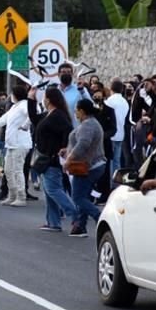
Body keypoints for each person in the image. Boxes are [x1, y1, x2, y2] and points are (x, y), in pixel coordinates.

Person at [28, 87, 78, 232]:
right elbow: (34, 118)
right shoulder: (48, 115)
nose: (43, 99)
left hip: (52, 158)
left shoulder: (58, 116)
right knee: (49, 191)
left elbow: (68, 130)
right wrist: (31, 99)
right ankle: (53, 222)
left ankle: (76, 216)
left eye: (44, 97)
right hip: (44, 158)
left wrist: (63, 148)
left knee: (53, 189)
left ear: (48, 99)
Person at [63, 100, 106, 238]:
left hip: (88, 166)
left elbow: (83, 144)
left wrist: (69, 159)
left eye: (76, 110)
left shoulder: (87, 125)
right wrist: (67, 150)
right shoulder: (91, 123)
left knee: (78, 197)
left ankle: (99, 217)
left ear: (82, 111)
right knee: (84, 196)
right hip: (93, 165)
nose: (75, 112)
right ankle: (80, 227)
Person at [0, 84, 33, 206]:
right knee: (8, 171)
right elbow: (1, 120)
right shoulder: (14, 107)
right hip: (11, 144)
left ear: (15, 95)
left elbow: (31, 114)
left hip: (20, 144)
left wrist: (26, 125)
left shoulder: (24, 105)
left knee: (17, 170)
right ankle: (12, 195)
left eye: (12, 94)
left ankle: (21, 197)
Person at [105, 79, 130, 179]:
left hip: (111, 134)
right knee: (117, 160)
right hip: (120, 133)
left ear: (111, 88)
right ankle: (116, 181)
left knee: (110, 160)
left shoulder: (110, 101)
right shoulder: (125, 102)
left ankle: (110, 182)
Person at [58, 62, 90, 128]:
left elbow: (90, 105)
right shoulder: (54, 91)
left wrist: (82, 90)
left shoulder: (80, 89)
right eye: (63, 72)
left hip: (75, 130)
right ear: (58, 74)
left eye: (69, 72)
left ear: (72, 74)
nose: (66, 74)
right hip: (58, 131)